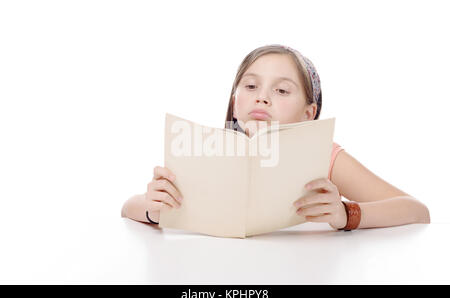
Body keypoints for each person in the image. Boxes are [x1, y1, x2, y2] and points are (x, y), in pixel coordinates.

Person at [121, 44, 430, 231]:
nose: (262, 98)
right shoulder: (207, 149)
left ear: (309, 114)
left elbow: (417, 210)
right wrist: (153, 207)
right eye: (251, 86)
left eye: (281, 90)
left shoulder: (324, 156)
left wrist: (346, 214)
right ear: (234, 102)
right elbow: (128, 207)